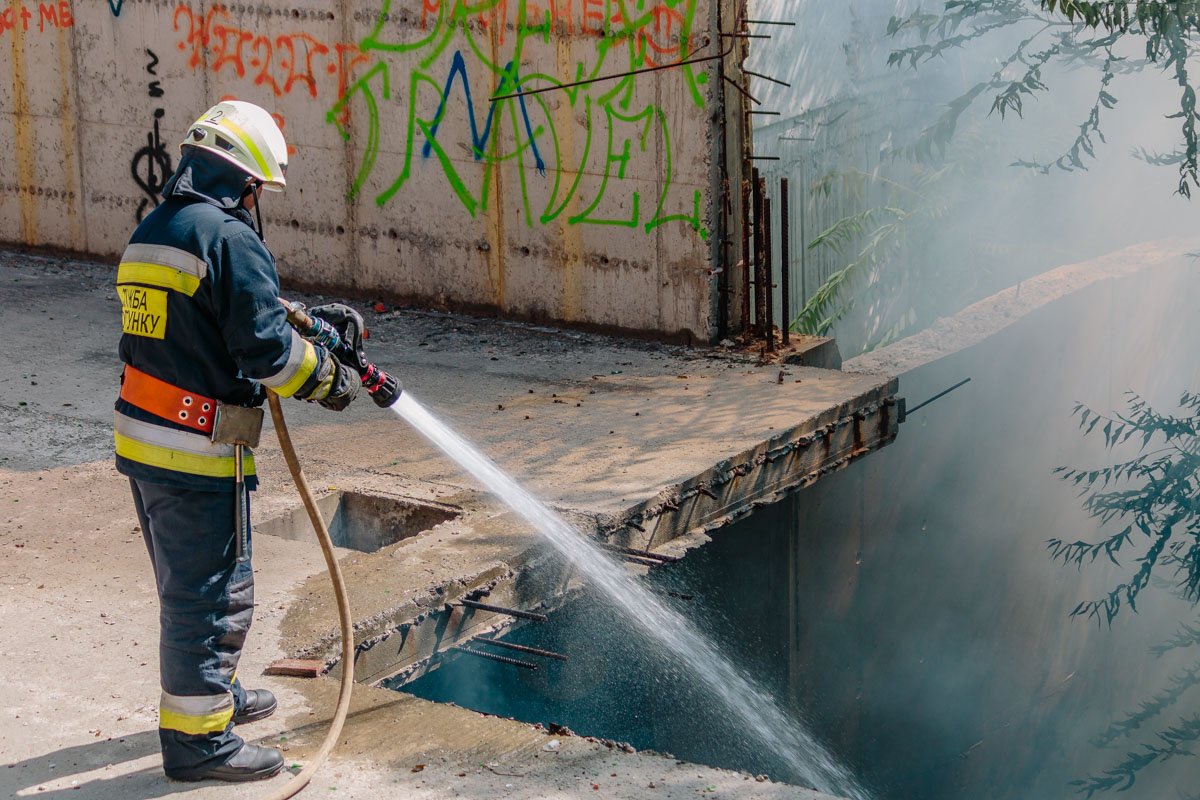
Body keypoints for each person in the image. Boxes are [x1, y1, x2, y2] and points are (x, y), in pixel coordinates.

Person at [113, 100, 358, 782]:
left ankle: (212, 697)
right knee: (213, 595)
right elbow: (270, 358)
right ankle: (198, 744)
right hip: (197, 450)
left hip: (146, 445)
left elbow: (196, 328)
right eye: (258, 188)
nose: (257, 200)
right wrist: (328, 378)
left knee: (185, 585)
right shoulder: (229, 239)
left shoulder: (155, 231)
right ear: (243, 180)